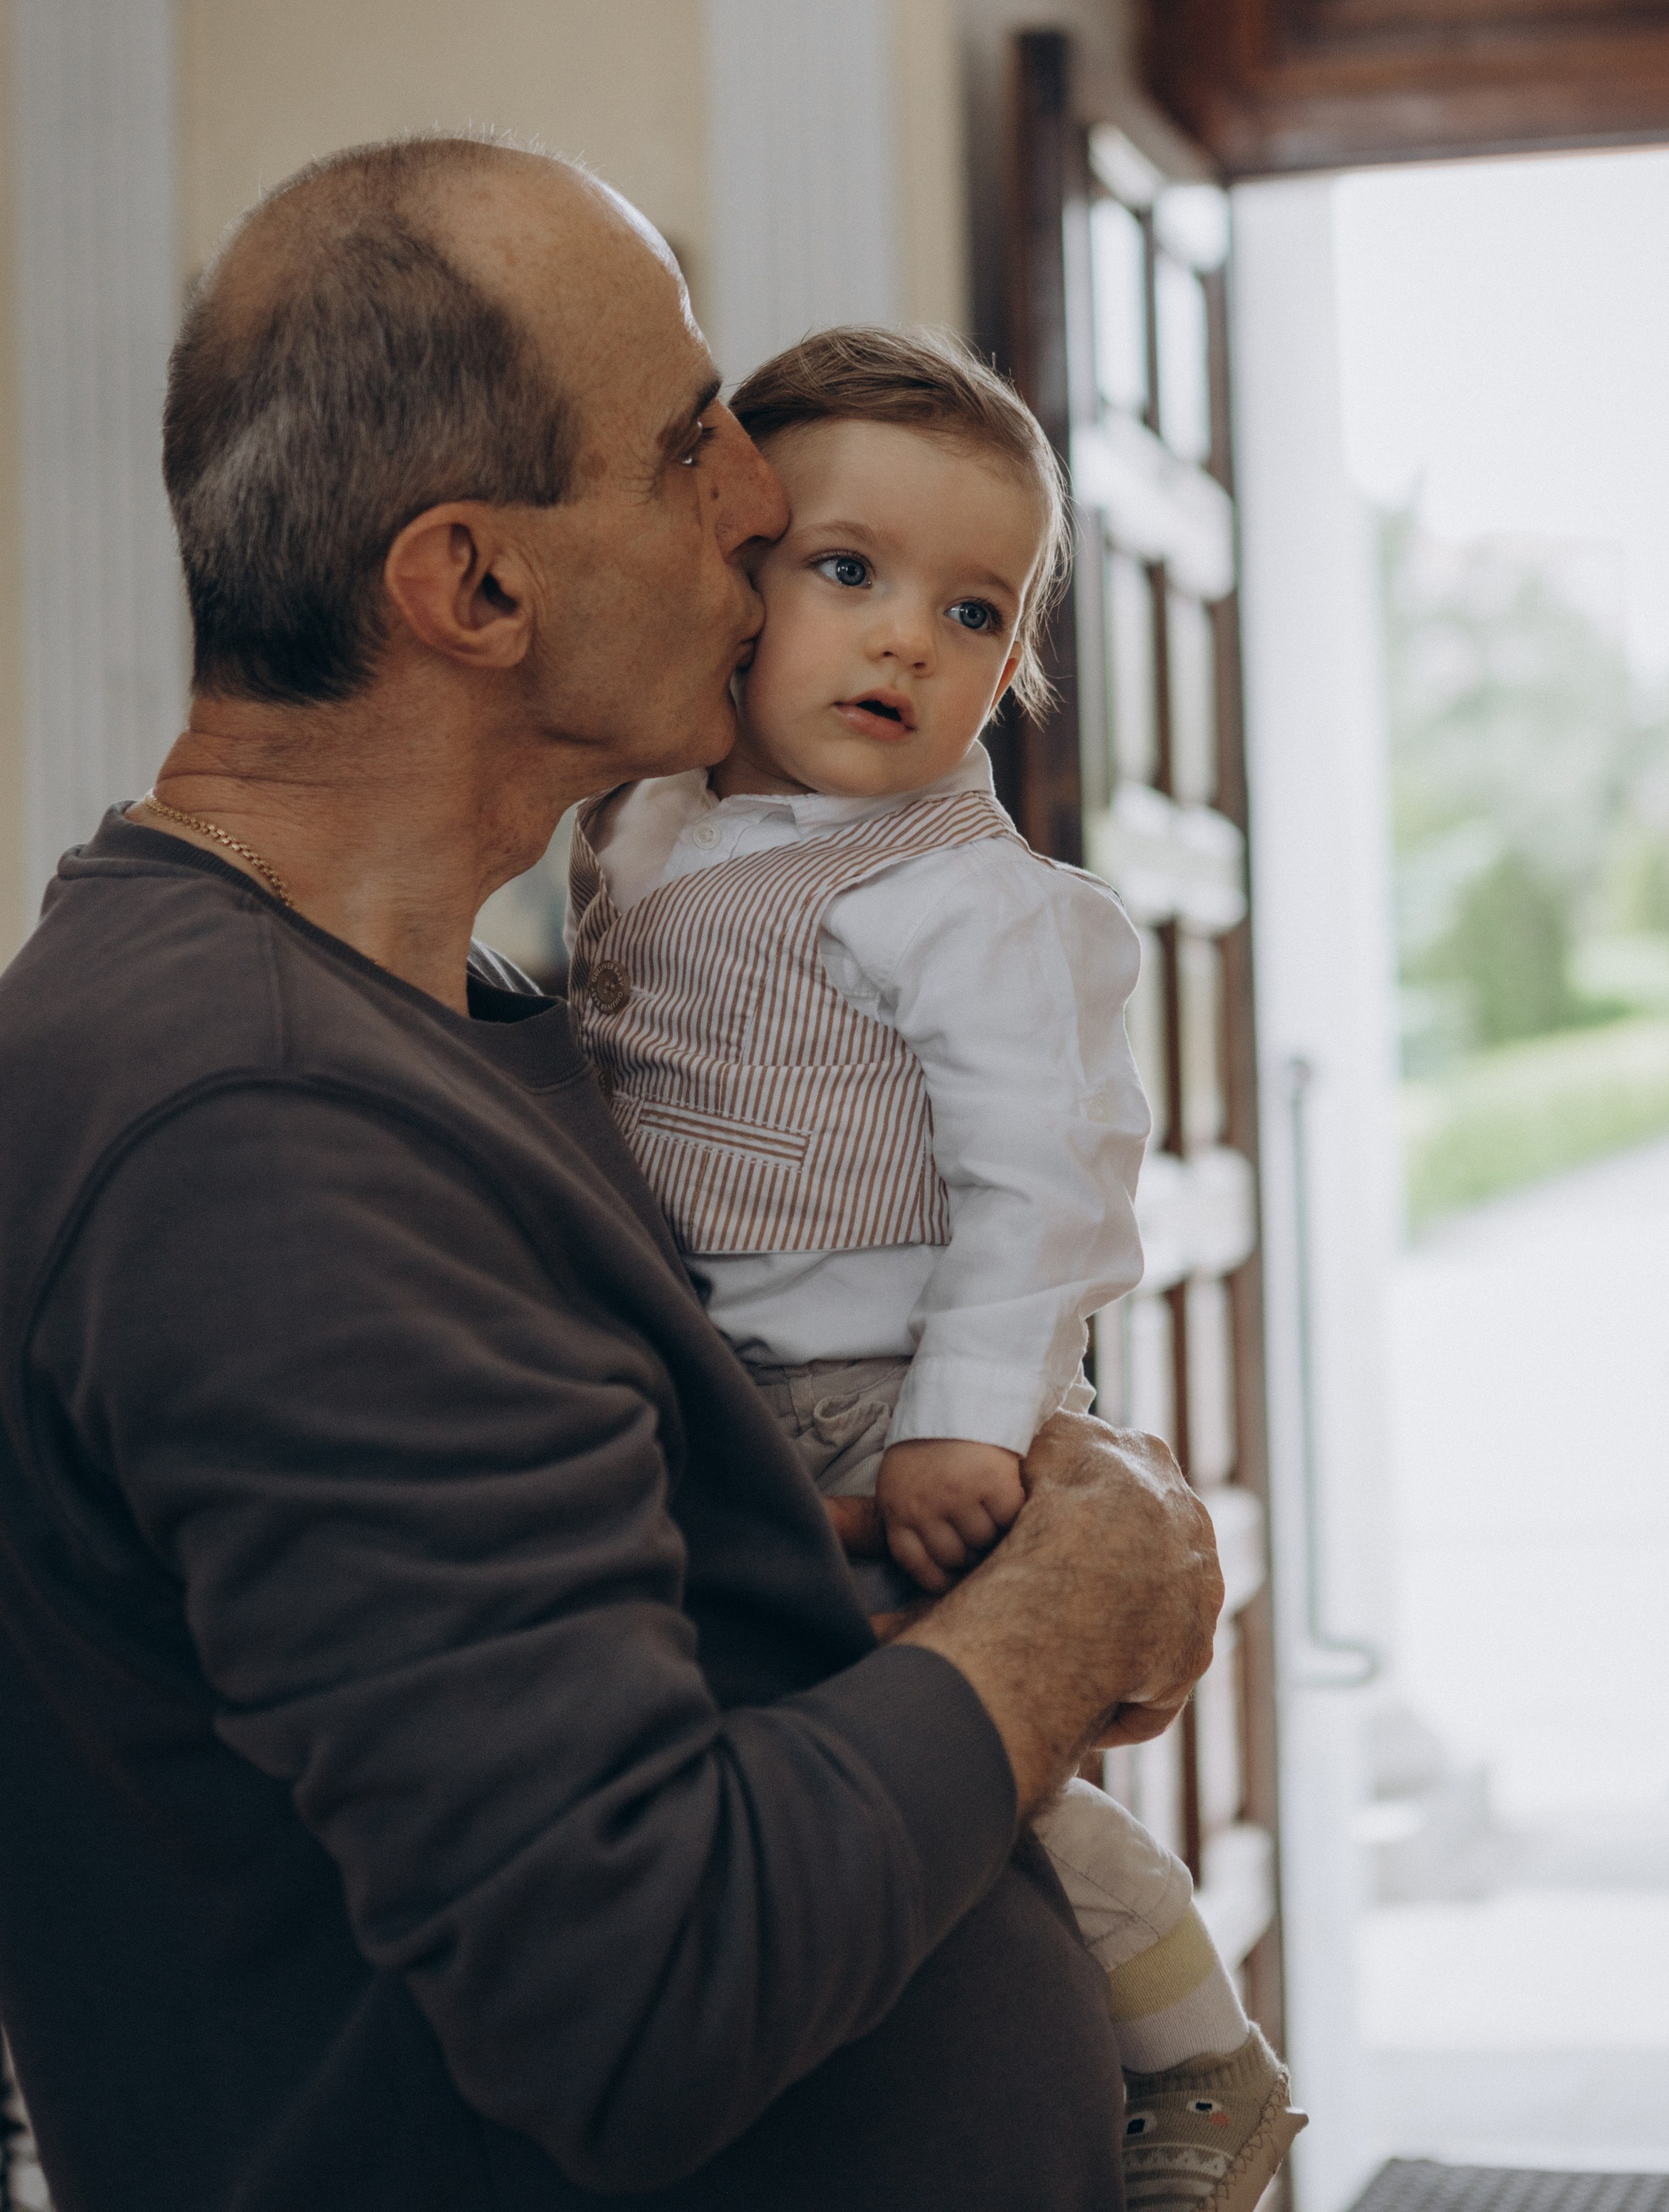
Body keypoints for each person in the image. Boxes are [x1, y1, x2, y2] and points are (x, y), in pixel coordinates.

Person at [0, 136, 1227, 2212]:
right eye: (687, 446)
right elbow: (637, 1987)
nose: (760, 493)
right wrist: (1058, 1612)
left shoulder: (446, 1004)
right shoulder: (260, 1139)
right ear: (475, 586)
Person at [568, 329, 1303, 2212]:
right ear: (726, 579)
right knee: (798, 1763)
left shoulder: (962, 895)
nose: (904, 638)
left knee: (995, 1760)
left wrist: (968, 1418)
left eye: (970, 611)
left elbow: (1044, 1181)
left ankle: (1197, 2060)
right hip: (719, 1375)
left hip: (885, 1387)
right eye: (843, 570)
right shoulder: (641, 823)